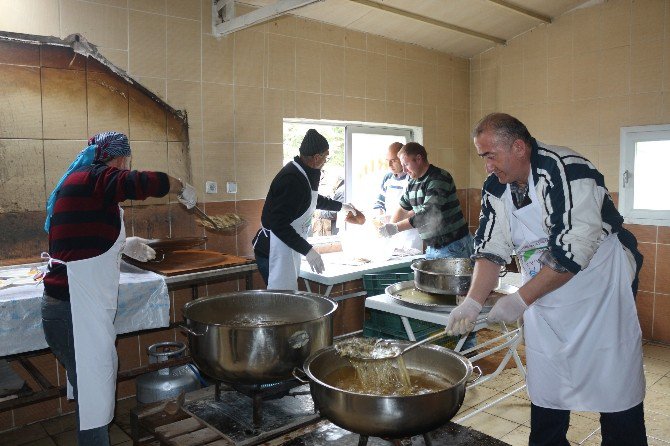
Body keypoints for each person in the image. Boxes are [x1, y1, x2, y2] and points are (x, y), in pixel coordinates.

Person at [446, 113, 646, 445]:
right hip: (547, 294)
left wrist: (520, 299)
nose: (487, 167)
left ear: (519, 147)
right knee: (547, 387)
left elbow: (572, 252)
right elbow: (491, 249)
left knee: (615, 388)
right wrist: (472, 302)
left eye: (489, 155)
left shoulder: (566, 169)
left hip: (598, 291)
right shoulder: (497, 187)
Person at [41, 132, 197, 446]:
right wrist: (180, 185)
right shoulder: (96, 178)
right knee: (95, 396)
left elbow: (81, 239)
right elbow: (140, 183)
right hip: (75, 313)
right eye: (127, 162)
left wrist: (123, 245)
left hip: (69, 309)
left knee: (90, 392)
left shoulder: (80, 181)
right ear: (121, 159)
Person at [252, 129, 357, 289]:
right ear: (316, 158)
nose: (325, 161)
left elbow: (311, 199)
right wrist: (308, 250)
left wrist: (341, 206)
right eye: (326, 157)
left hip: (288, 245)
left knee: (287, 300)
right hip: (273, 248)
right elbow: (278, 225)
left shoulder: (304, 173)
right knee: (280, 303)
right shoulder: (291, 179)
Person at [378, 142, 473, 260]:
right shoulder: (413, 183)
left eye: (406, 164)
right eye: (402, 165)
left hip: (454, 245)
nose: (404, 170)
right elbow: (402, 208)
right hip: (432, 247)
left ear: (418, 159)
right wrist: (389, 228)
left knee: (457, 279)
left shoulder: (439, 178)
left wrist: (396, 228)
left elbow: (428, 215)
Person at [372, 142, 422, 252]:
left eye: (393, 160)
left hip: (410, 234)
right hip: (390, 231)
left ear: (402, 159)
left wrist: (394, 223)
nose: (389, 165)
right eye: (387, 161)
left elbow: (417, 210)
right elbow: (379, 203)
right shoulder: (387, 178)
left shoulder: (413, 178)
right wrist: (380, 217)